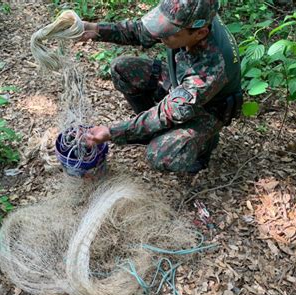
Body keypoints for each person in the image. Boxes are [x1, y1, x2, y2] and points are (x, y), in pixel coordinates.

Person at [82, 0, 242, 173]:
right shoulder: (188, 14)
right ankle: (150, 132)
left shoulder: (212, 67)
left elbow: (168, 112)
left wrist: (112, 132)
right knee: (122, 68)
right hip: (181, 81)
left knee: (160, 153)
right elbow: (140, 31)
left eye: (168, 34)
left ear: (200, 33)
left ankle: (202, 147)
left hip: (208, 108)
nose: (160, 36)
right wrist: (94, 29)